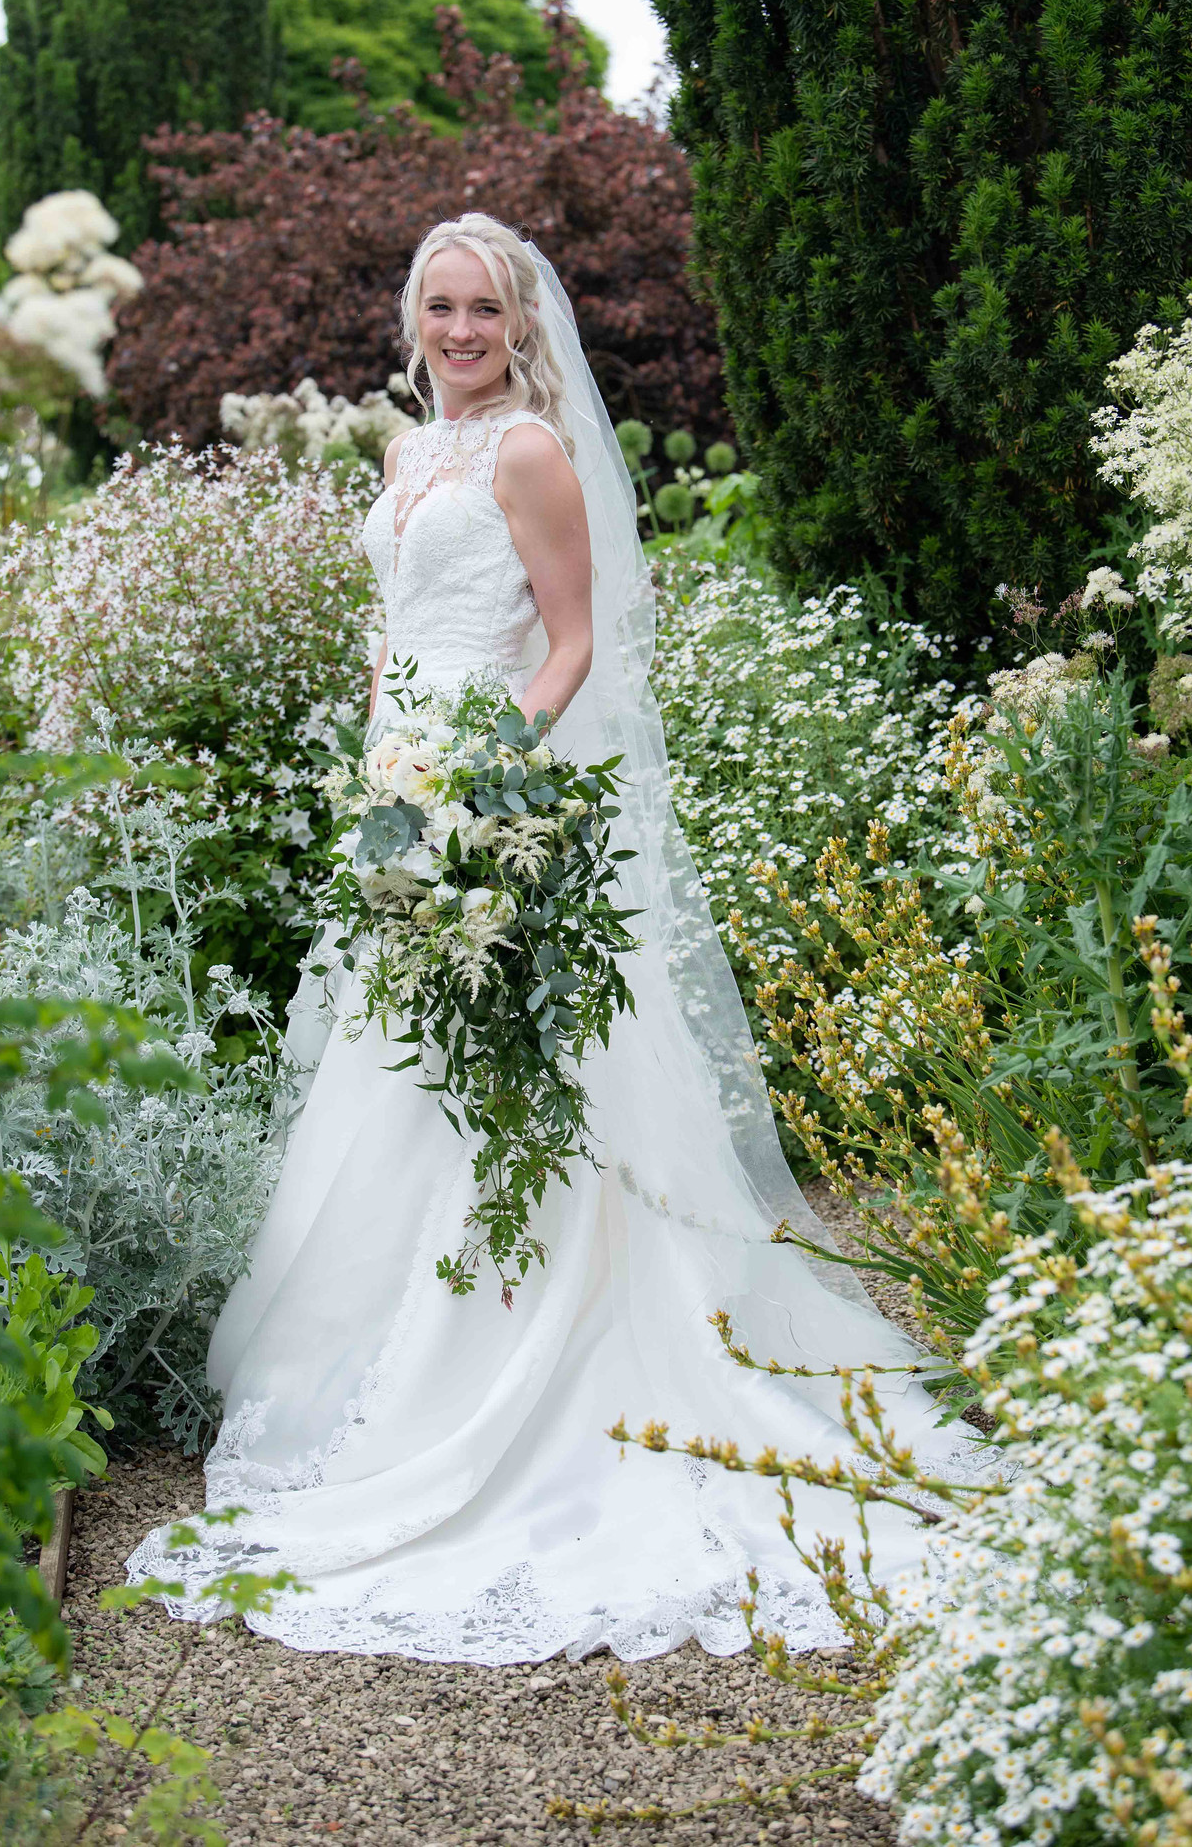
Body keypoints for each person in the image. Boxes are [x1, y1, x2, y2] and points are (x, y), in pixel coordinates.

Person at [127, 213, 969, 1663]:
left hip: (496, 797)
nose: (461, 333)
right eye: (440, 309)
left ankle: (536, 1360)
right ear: (414, 320)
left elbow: (571, 644)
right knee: (399, 1078)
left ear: (522, 325)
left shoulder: (527, 452)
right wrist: (385, 771)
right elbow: (397, 630)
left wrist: (476, 783)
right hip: (405, 800)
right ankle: (380, 1370)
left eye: (485, 312)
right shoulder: (404, 457)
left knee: (519, 1084)